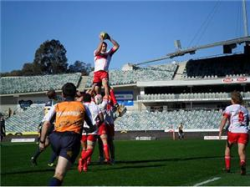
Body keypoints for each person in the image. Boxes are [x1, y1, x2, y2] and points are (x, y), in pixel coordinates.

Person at [39, 82, 93, 186]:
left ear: (63, 94)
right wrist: (88, 128)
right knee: (59, 174)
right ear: (75, 94)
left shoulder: (57, 106)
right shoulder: (82, 106)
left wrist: (42, 142)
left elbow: (46, 124)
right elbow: (92, 125)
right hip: (70, 139)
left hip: (55, 138)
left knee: (59, 171)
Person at [219, 91, 249, 175]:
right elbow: (247, 121)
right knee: (241, 151)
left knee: (228, 148)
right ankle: (242, 163)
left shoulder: (229, 108)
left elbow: (224, 119)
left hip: (233, 131)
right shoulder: (245, 109)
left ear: (232, 99)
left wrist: (221, 130)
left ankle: (228, 167)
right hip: (244, 132)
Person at [31, 89, 59, 166]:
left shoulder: (47, 103)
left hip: (44, 122)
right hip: (51, 124)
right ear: (54, 94)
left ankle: (34, 157)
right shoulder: (56, 102)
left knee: (46, 143)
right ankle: (51, 162)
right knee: (58, 144)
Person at [78, 93, 104, 172]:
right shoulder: (96, 106)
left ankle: (85, 165)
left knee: (84, 148)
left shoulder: (81, 106)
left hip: (83, 129)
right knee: (90, 148)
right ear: (90, 99)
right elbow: (102, 119)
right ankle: (82, 160)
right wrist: (98, 125)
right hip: (92, 129)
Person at [92, 32, 119, 99]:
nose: (103, 47)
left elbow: (117, 46)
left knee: (105, 84)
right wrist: (101, 40)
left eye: (104, 46)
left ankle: (107, 97)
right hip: (96, 72)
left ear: (106, 47)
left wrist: (109, 38)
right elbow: (98, 50)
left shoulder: (108, 53)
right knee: (97, 88)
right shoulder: (96, 52)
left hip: (104, 72)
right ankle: (98, 98)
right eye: (102, 46)